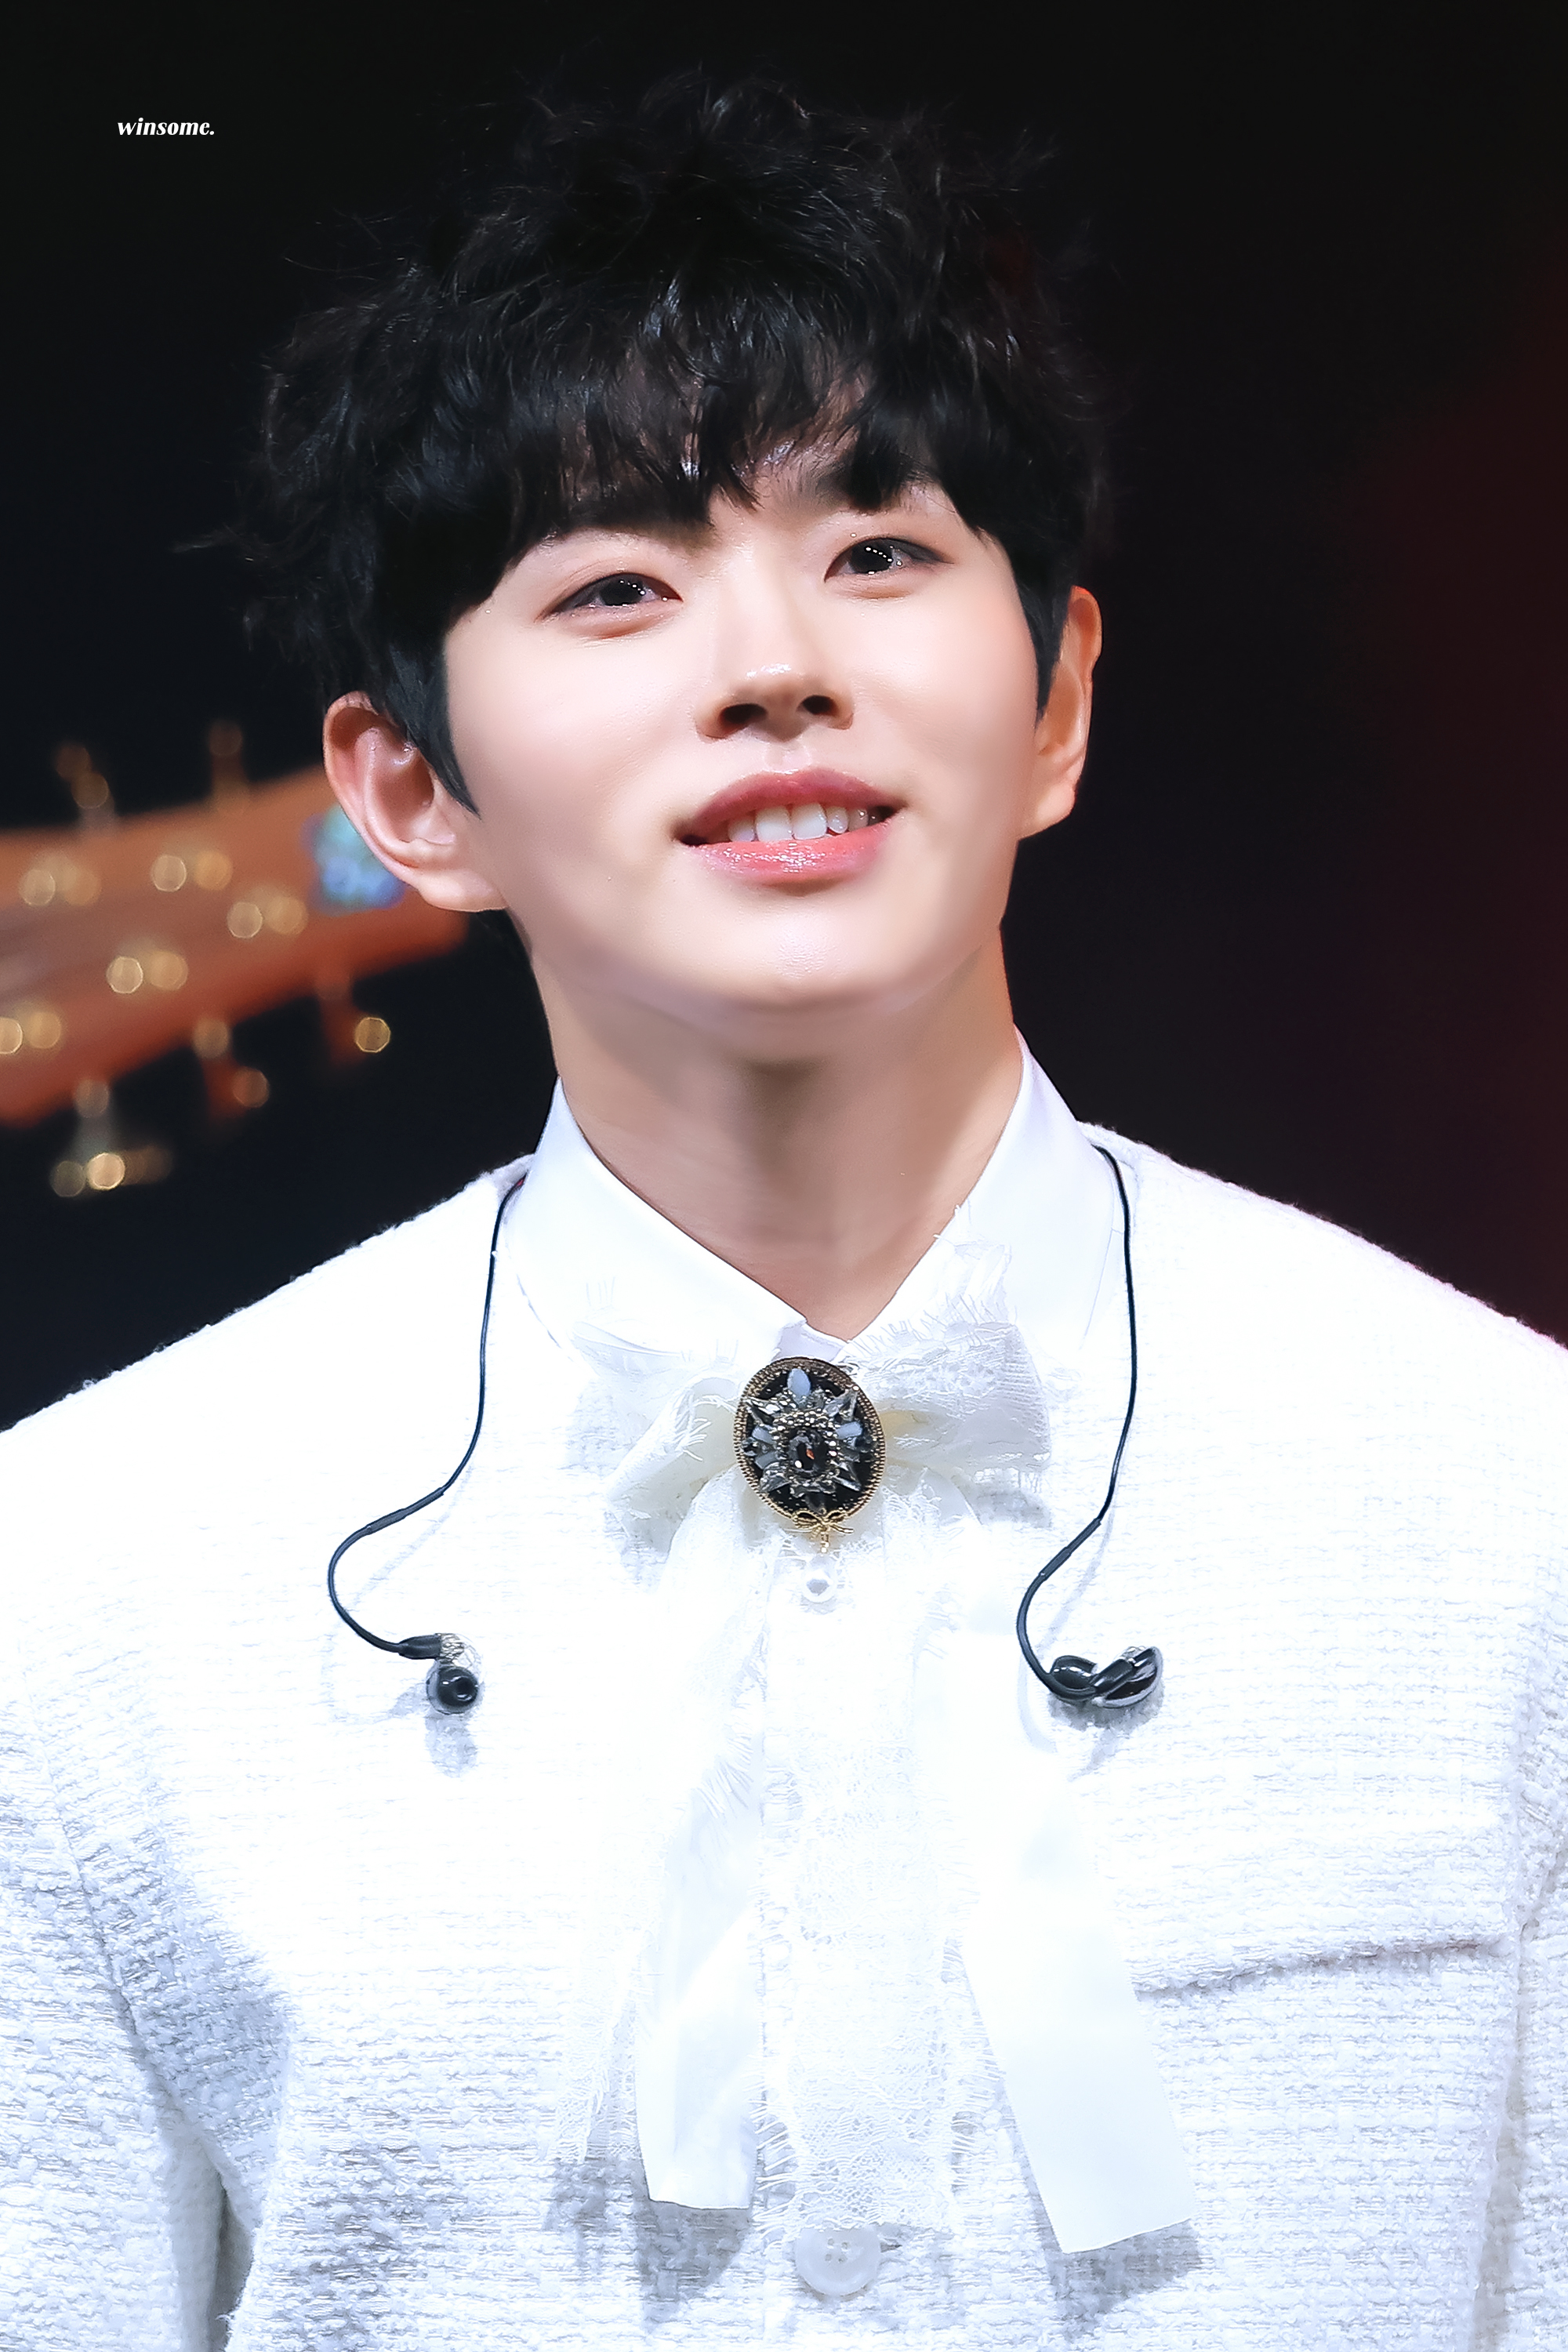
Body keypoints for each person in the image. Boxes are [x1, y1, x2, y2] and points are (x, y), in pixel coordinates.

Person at [2, 77, 1564, 2352]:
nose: (774, 665)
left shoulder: (1501, 1497)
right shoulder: (90, 1585)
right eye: (618, 586)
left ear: (1060, 701)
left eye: (881, 552)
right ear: (411, 794)